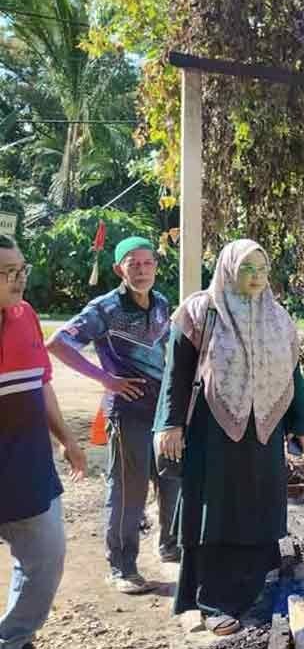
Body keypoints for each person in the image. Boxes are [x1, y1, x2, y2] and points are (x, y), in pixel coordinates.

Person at [153, 239, 304, 636]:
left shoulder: (277, 316)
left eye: (262, 268)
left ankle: (252, 594)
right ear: (227, 270)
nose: (256, 277)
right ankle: (211, 599)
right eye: (247, 269)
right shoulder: (198, 311)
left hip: (264, 433)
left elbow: (292, 374)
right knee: (216, 511)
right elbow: (178, 373)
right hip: (214, 431)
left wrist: (299, 425)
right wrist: (169, 425)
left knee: (258, 507)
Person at [47, 236, 179, 595]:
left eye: (147, 263)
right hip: (126, 412)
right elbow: (57, 343)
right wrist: (107, 379)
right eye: (132, 263)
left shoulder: (162, 303)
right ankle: (122, 566)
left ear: (155, 266)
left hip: (162, 410)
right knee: (128, 490)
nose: (140, 270)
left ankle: (170, 545)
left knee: (171, 478)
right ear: (119, 268)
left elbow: (167, 350)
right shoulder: (104, 309)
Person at [0, 234, 86, 649]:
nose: (18, 280)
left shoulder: (26, 315)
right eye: (7, 272)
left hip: (29, 469)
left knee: (45, 563)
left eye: (21, 270)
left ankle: (13, 639)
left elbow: (42, 384)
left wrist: (67, 438)